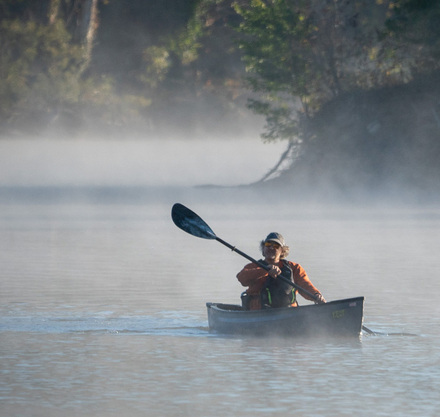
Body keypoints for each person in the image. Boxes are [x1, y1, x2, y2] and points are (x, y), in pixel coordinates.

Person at [237, 232, 326, 310]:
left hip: (289, 312)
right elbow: (241, 278)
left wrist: (316, 295)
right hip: (259, 313)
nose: (271, 247)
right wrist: (265, 270)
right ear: (263, 249)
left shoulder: (294, 268)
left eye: (276, 246)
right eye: (268, 244)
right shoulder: (253, 266)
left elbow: (305, 284)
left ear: (282, 251)